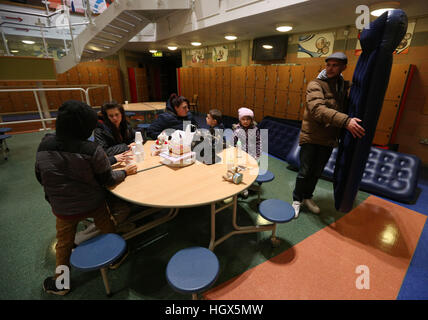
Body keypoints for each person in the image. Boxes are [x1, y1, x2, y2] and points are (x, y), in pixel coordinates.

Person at [35, 100, 137, 296]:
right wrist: (124, 173)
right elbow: (107, 179)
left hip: (62, 208)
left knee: (63, 244)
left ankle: (61, 282)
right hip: (94, 203)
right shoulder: (91, 150)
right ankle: (116, 258)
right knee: (108, 228)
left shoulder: (44, 145)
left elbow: (40, 176)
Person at [292, 52, 365, 218]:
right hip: (311, 137)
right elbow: (318, 110)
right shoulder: (315, 84)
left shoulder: (342, 87)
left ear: (343, 67)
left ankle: (307, 197)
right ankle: (297, 200)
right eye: (328, 65)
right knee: (305, 172)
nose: (330, 68)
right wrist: (346, 121)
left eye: (335, 65)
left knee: (317, 172)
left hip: (328, 139)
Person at [232, 107, 262, 198]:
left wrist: (258, 154)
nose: (245, 121)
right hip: (241, 155)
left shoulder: (255, 129)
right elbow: (233, 142)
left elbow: (259, 142)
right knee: (241, 170)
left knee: (249, 171)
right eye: (243, 119)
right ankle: (242, 188)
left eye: (248, 119)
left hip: (252, 155)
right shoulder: (237, 130)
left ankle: (247, 185)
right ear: (240, 120)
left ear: (251, 120)